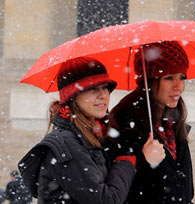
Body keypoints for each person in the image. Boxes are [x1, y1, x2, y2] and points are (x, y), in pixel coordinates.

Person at [18, 57, 165, 204]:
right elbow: (106, 200)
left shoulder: (91, 137)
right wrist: (126, 162)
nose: (103, 95)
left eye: (106, 87)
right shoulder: (67, 143)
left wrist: (143, 159)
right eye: (93, 89)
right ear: (73, 96)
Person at [107, 41, 194, 204]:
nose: (179, 87)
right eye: (169, 78)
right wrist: (147, 163)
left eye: (182, 77)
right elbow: (120, 194)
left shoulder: (174, 125)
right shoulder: (125, 125)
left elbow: (185, 193)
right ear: (150, 80)